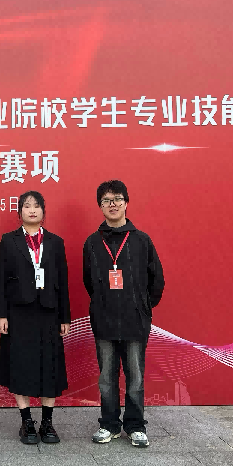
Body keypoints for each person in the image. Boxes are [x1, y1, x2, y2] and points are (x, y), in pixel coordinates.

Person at [83, 180, 164, 448]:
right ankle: (109, 425)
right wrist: (102, 303)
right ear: (100, 206)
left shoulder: (141, 240)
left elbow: (156, 280)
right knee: (107, 378)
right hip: (104, 320)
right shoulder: (93, 243)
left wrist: (143, 307)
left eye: (118, 199)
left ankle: (135, 426)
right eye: (107, 200)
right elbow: (88, 281)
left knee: (135, 378)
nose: (113, 204)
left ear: (126, 203)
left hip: (134, 320)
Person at [0, 191, 70, 444]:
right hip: (18, 312)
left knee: (50, 366)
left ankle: (47, 422)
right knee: (21, 366)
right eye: (27, 206)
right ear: (20, 212)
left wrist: (65, 317)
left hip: (49, 311)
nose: (32, 210)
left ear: (43, 211)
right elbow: (1, 281)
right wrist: (1, 314)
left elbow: (63, 282)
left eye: (37, 206)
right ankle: (26, 421)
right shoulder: (9, 241)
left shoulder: (56, 242)